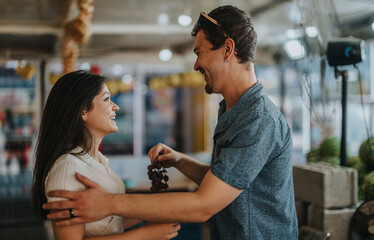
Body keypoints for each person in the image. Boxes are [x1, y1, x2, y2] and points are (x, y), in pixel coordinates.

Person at [42, 5, 298, 239]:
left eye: (199, 52)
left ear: (228, 49)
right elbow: (228, 180)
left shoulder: (256, 119)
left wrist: (108, 203)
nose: (196, 64)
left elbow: (204, 205)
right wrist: (180, 161)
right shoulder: (233, 111)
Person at [32, 70, 180, 239]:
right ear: (83, 111)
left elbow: (109, 222)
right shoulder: (68, 168)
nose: (115, 106)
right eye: (107, 99)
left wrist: (155, 211)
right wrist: (145, 235)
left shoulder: (98, 162)